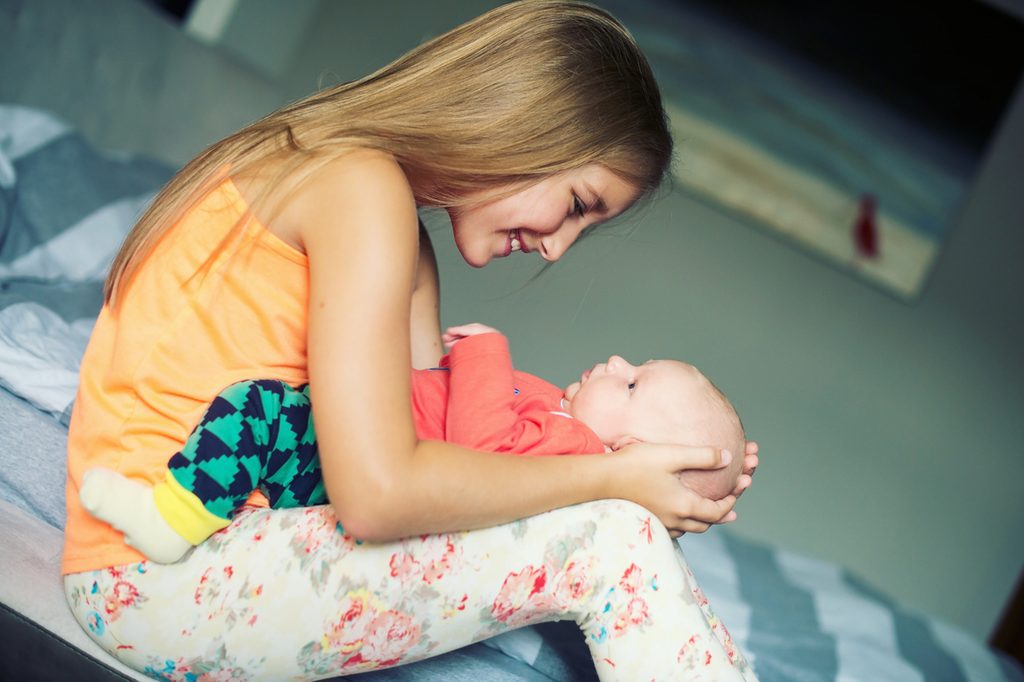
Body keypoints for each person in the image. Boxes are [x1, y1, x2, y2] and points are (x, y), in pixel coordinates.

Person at [62, 2, 760, 679]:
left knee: (617, 525)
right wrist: (613, 480)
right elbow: (379, 496)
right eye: (577, 204)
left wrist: (658, 469)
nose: (558, 249)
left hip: (223, 550)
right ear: (524, 126)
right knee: (614, 540)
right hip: (159, 568)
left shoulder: (393, 227)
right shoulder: (357, 189)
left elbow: (450, 467)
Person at [79, 323, 746, 564]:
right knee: (259, 411)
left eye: (631, 383)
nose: (617, 359)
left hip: (344, 461)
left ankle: (169, 522)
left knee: (252, 408)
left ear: (623, 446)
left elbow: (477, 439)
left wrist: (487, 348)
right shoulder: (562, 420)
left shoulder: (570, 447)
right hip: (354, 436)